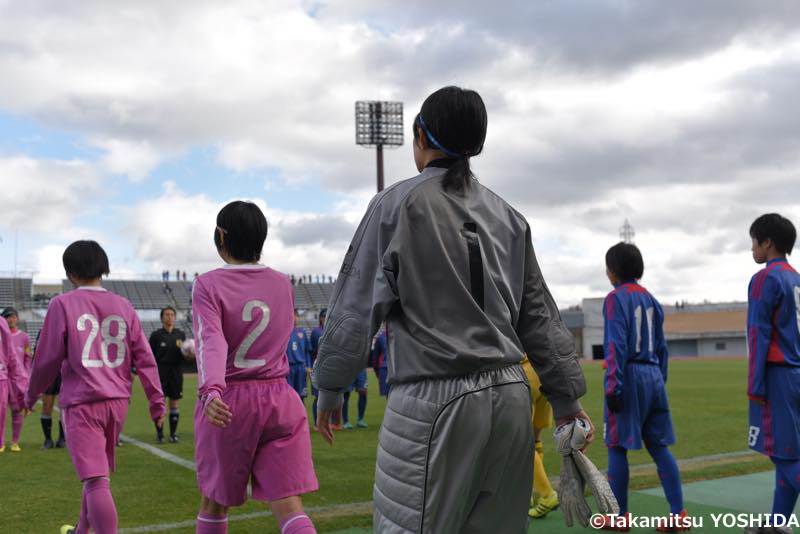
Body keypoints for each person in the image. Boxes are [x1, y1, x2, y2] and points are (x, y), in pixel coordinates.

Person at [313, 86, 590, 533]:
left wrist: (329, 386)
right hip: (511, 396)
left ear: (420, 135)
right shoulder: (509, 216)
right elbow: (539, 315)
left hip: (434, 400)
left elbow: (356, 303)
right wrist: (566, 399)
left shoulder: (396, 204)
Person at [192, 200, 318, 534]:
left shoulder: (207, 284)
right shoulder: (282, 283)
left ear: (221, 235)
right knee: (290, 506)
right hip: (280, 399)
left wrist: (212, 390)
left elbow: (211, 340)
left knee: (214, 503)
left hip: (231, 401)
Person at [25, 240, 165, 534]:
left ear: (71, 272)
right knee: (96, 475)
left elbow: (46, 358)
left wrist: (30, 395)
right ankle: (81, 530)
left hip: (83, 402)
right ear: (103, 267)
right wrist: (156, 402)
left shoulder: (62, 303)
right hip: (117, 402)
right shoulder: (124, 305)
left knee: (95, 480)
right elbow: (145, 359)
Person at [598, 242, 688, 532]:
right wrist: (660, 380)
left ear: (613, 271)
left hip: (629, 375)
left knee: (616, 446)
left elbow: (616, 345)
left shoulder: (615, 298)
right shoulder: (652, 300)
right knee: (659, 446)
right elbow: (662, 348)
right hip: (653, 376)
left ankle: (619, 516)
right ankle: (678, 514)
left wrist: (613, 386)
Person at [744, 214, 800, 534]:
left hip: (779, 377)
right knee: (790, 451)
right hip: (798, 371)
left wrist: (756, 385)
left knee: (783, 454)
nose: (751, 248)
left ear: (768, 243)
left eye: (754, 241)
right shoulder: (797, 278)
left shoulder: (765, 278)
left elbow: (758, 334)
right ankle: (779, 525)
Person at [522, 357, 559, 519]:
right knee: (535, 439)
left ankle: (547, 495)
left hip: (524, 373)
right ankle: (526, 495)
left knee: (522, 443)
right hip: (543, 373)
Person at [149, 306, 187, 443]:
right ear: (161, 318)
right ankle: (160, 435)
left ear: (175, 318)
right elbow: (149, 356)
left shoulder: (180, 335)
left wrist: (189, 355)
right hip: (160, 372)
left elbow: (185, 355)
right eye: (166, 314)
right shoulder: (156, 335)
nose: (169, 317)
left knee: (174, 403)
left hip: (176, 372)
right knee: (160, 403)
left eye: (172, 314)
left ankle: (173, 434)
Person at [2, 307, 31, 452]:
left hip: (18, 379)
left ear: (17, 319)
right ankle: (0, 442)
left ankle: (15, 442)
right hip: (2, 377)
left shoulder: (24, 337)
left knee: (17, 410)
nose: (11, 319)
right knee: (1, 411)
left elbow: (27, 358)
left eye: (13, 316)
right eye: (7, 317)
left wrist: (26, 373)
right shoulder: (1, 336)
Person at [286, 310, 312, 399]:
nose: (294, 318)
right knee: (288, 396)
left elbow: (307, 351)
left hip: (301, 367)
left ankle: (300, 413)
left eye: (296, 316)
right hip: (289, 368)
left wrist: (308, 366)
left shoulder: (302, 331)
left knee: (301, 396)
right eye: (292, 315)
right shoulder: (284, 332)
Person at [309, 308, 327, 428]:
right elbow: (311, 351)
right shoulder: (315, 332)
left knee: (328, 396)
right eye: (323, 316)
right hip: (318, 367)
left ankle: (326, 422)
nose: (325, 318)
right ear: (320, 318)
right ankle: (317, 422)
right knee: (318, 395)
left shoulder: (332, 330)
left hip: (330, 368)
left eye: (327, 316)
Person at [370, 327, 390, 397]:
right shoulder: (380, 338)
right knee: (389, 395)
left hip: (395, 370)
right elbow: (375, 358)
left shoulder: (399, 337)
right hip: (385, 369)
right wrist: (377, 372)